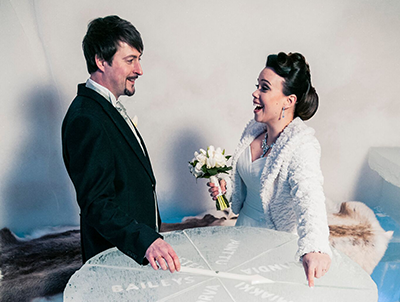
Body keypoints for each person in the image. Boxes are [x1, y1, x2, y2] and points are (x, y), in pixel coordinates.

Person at [62, 15, 180, 273]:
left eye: (139, 59)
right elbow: (96, 203)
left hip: (132, 257)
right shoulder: (87, 118)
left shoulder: (103, 108)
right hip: (117, 262)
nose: (139, 70)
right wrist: (145, 240)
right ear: (101, 61)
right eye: (130, 60)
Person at [209, 52, 332, 287]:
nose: (255, 93)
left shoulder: (302, 145)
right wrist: (225, 189)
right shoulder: (253, 133)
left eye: (264, 88)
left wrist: (315, 246)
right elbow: (249, 185)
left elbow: (310, 196)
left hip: (275, 243)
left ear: (289, 100)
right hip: (242, 231)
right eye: (257, 86)